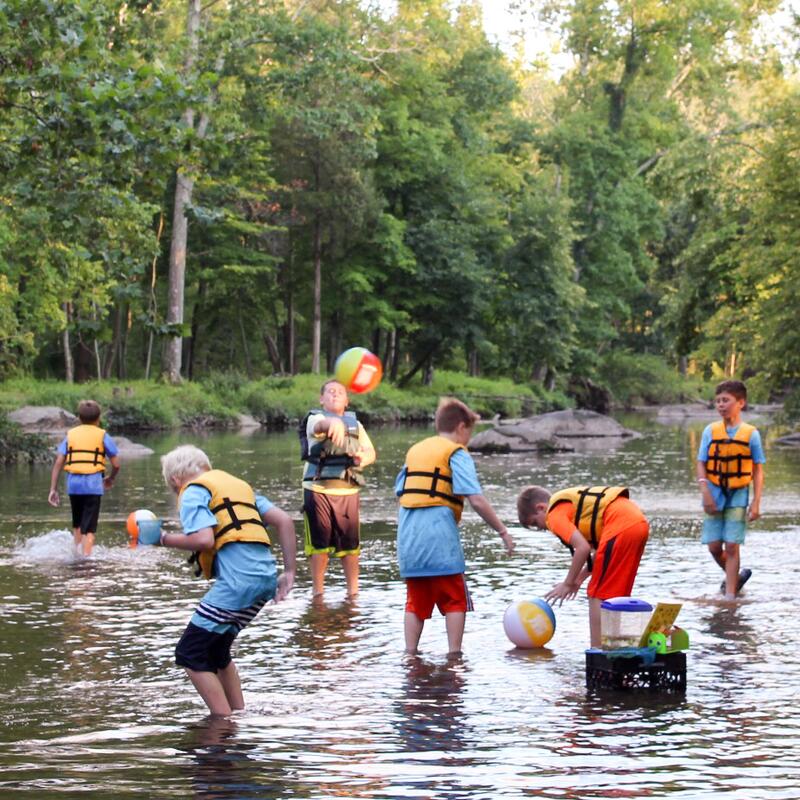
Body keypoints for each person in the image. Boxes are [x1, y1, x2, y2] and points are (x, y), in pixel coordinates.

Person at [160, 445, 297, 716]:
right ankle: (238, 716)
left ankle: (222, 723)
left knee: (189, 653)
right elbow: (284, 521)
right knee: (218, 652)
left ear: (176, 479)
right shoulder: (238, 487)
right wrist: (290, 572)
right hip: (265, 581)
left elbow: (203, 539)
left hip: (238, 584)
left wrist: (162, 539)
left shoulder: (193, 491)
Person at [396, 397, 515, 656]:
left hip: (408, 538)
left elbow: (400, 492)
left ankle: (410, 655)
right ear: (462, 427)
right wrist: (503, 531)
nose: (469, 439)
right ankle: (454, 656)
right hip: (439, 539)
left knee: (415, 602)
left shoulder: (415, 451)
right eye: (470, 432)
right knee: (455, 599)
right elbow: (476, 499)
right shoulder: (456, 453)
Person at [517, 485, 649, 648]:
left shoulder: (553, 515)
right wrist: (578, 580)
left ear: (541, 508)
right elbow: (600, 555)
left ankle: (597, 651)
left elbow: (582, 548)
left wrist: (567, 583)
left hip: (621, 526)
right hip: (638, 524)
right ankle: (617, 646)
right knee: (615, 596)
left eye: (535, 523)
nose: (542, 529)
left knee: (596, 594)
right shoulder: (570, 509)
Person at [300, 379, 376, 598]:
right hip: (318, 490)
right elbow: (320, 427)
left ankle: (353, 594)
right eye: (330, 392)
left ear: (347, 401)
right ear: (321, 399)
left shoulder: (356, 425)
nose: (335, 395)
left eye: (340, 393)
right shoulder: (315, 419)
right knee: (319, 547)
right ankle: (318, 594)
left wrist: (362, 458)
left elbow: (371, 452)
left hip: (348, 491)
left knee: (350, 548)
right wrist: (332, 424)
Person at [696, 379, 764, 600]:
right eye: (718, 401)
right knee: (714, 547)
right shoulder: (710, 431)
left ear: (740, 403)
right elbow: (701, 462)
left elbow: (758, 470)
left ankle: (730, 597)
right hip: (713, 492)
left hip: (738, 494)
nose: (721, 405)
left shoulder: (751, 434)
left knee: (733, 545)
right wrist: (705, 491)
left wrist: (756, 502)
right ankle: (735, 577)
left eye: (726, 400)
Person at [48, 399, 120, 557]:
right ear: (99, 418)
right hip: (93, 487)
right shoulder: (102, 435)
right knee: (89, 530)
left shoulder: (71, 435)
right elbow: (116, 464)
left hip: (74, 486)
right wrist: (111, 478)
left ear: (79, 418)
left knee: (78, 525)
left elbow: (59, 462)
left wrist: (53, 489)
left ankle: (76, 555)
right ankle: (86, 561)